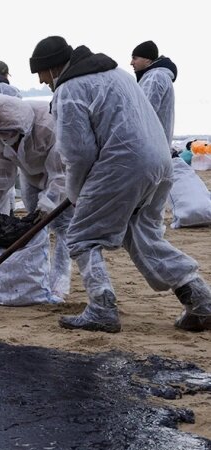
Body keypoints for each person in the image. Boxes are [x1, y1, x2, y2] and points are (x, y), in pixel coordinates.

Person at [29, 35, 211, 332]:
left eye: (40, 73)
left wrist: (76, 193)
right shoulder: (118, 75)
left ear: (52, 67)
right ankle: (201, 302)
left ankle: (101, 308)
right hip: (160, 162)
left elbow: (78, 153)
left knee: (82, 236)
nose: (41, 81)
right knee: (143, 236)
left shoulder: (70, 89)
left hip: (122, 164)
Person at [0, 94, 72, 298]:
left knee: (63, 226)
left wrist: (50, 201)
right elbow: (1, 174)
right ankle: (37, 276)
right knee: (35, 223)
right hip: (29, 175)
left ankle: (60, 280)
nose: (4, 138)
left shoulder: (49, 124)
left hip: (63, 174)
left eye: (8, 133)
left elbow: (60, 175)